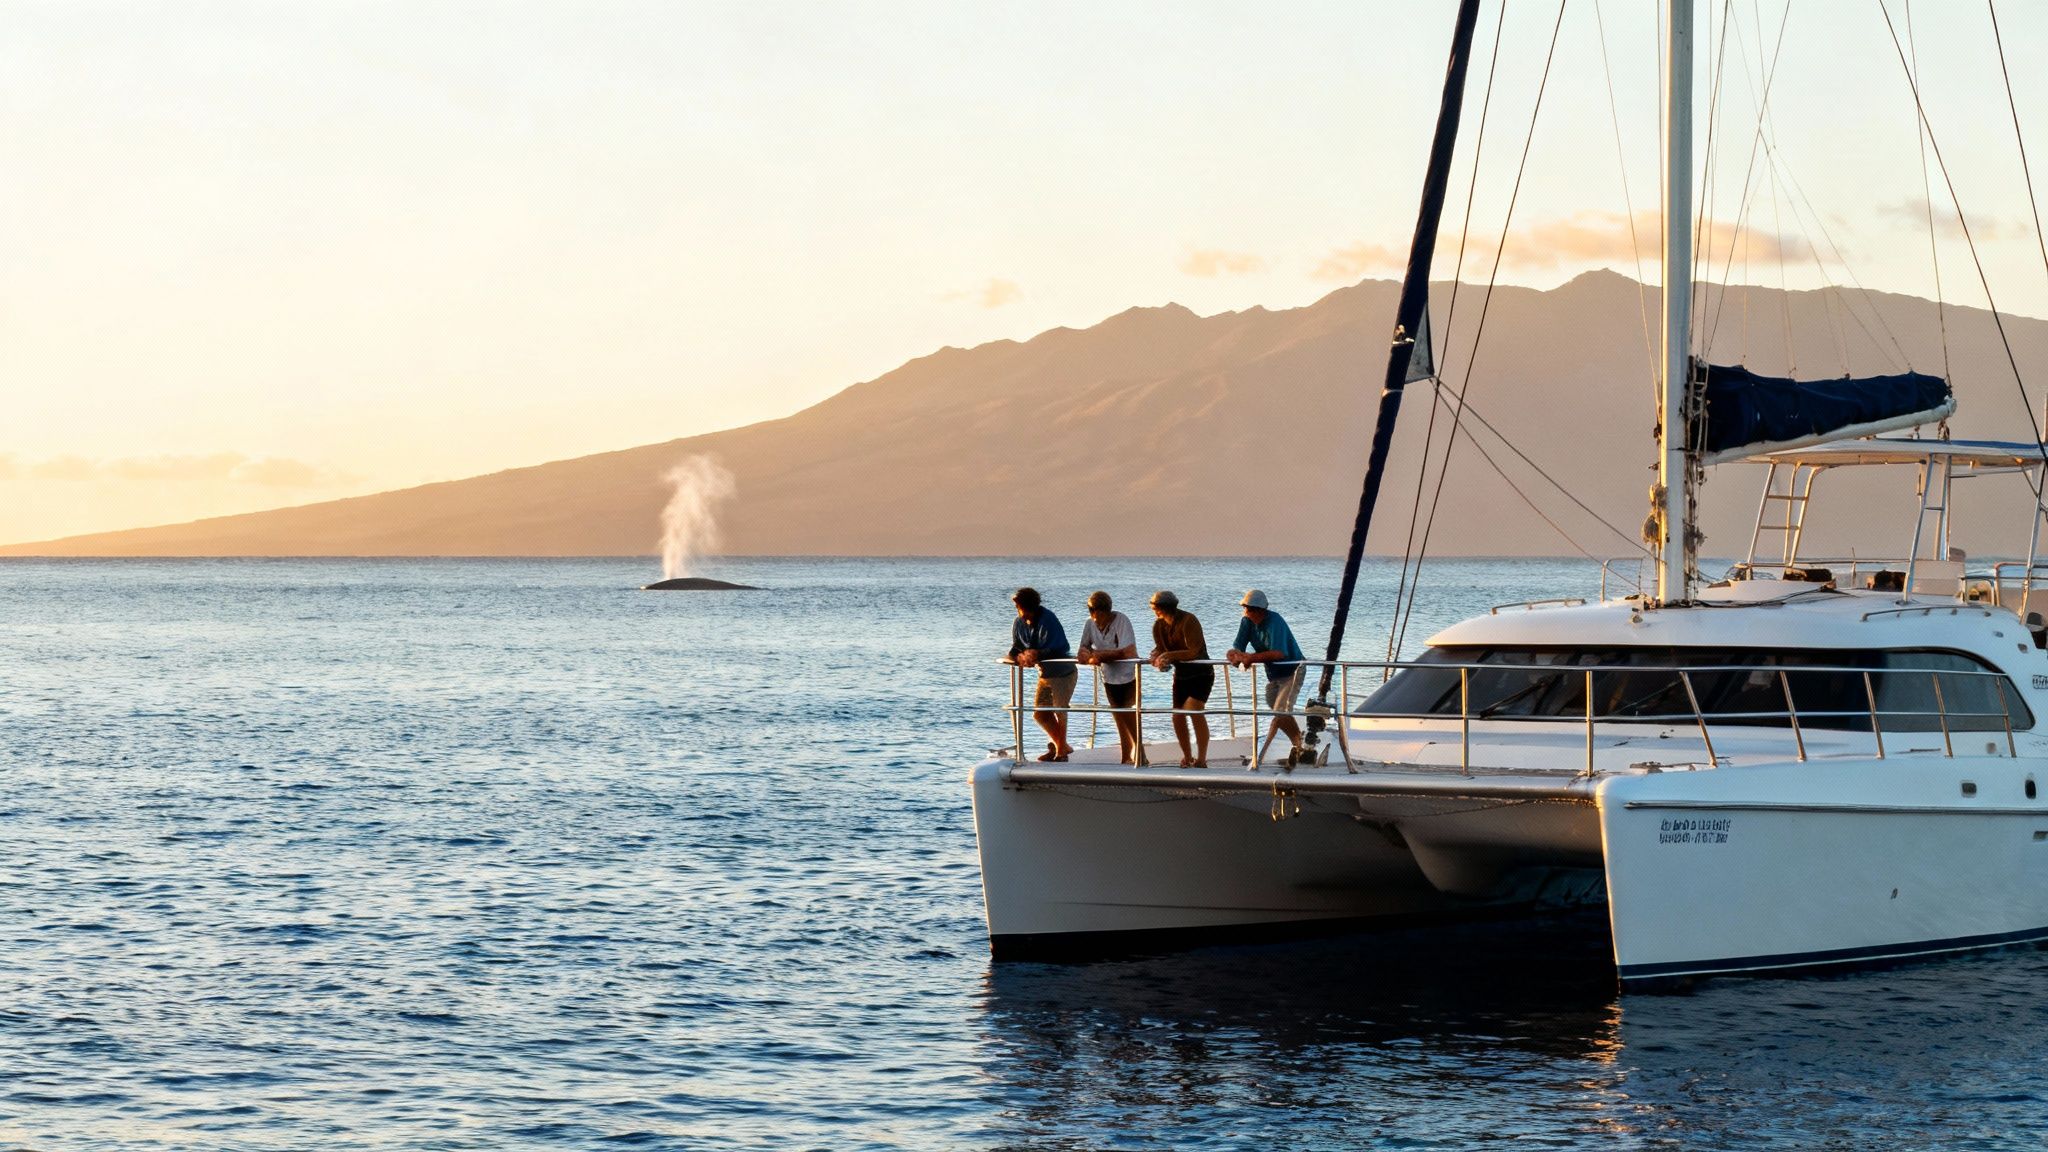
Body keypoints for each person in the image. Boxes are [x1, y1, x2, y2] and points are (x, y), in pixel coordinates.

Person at [1225, 589, 1309, 766]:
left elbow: (1279, 653)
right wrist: (1234, 655)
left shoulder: (1274, 621)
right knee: (1277, 709)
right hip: (1274, 674)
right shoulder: (1246, 621)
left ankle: (1281, 750)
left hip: (1293, 669)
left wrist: (1250, 658)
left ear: (1260, 610)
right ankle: (1300, 742)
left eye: (1250, 609)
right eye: (1245, 609)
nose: (1247, 613)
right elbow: (1238, 646)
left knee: (1280, 710)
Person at [1009, 587, 1075, 761]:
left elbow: (1060, 647)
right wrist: (1018, 657)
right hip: (1044, 675)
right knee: (1041, 713)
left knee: (1060, 709)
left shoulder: (1048, 619)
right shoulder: (1019, 623)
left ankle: (1060, 751)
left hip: (1062, 673)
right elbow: (1016, 647)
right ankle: (1061, 745)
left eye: (1021, 608)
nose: (1020, 612)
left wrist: (1037, 654)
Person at [1077, 590, 1142, 764]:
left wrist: (1098, 655)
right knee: (1118, 716)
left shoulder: (1121, 621)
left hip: (1127, 675)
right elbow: (1083, 650)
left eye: (1097, 613)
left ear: (1105, 612)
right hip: (1108, 677)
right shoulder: (1090, 624)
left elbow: (1128, 651)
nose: (1094, 617)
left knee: (1127, 714)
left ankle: (1140, 752)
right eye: (1091, 612)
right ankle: (1126, 756)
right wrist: (1089, 655)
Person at [1147, 590, 1211, 767]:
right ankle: (1188, 755)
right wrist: (1156, 656)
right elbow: (1160, 647)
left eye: (1155, 607)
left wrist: (1169, 654)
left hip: (1201, 673)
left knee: (1193, 709)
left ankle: (1202, 758)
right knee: (1177, 716)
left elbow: (1194, 651)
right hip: (1181, 675)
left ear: (1163, 607)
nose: (1153, 610)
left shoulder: (1189, 620)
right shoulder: (1158, 626)